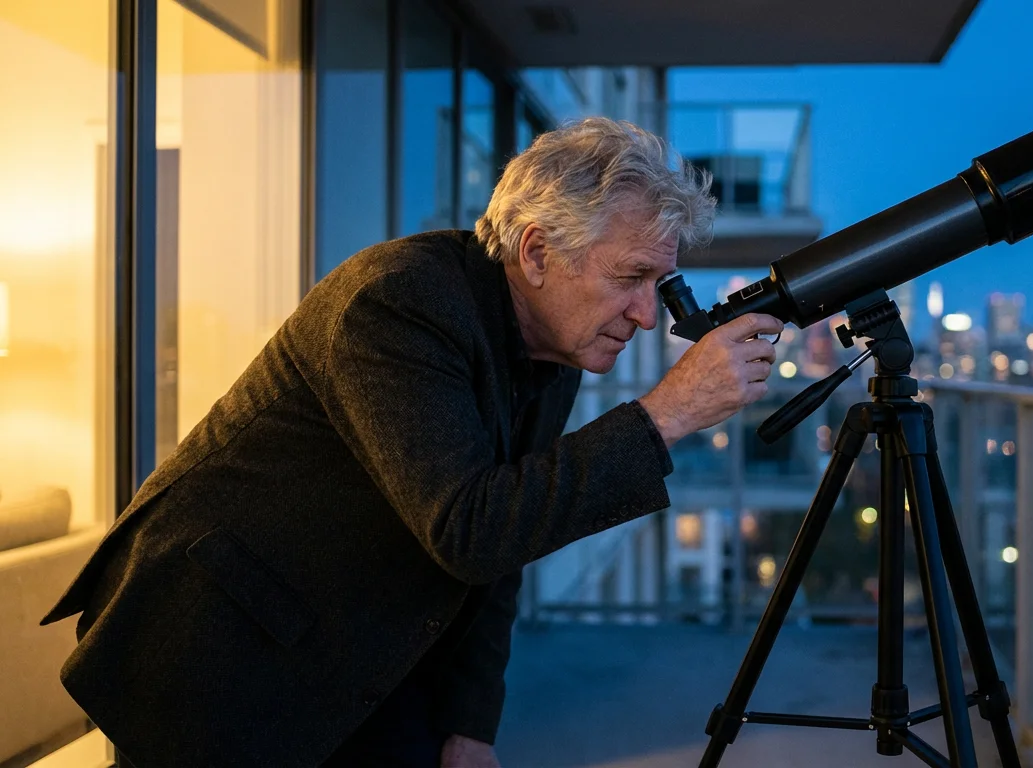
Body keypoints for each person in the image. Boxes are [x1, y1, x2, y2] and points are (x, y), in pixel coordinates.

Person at [40, 117, 783, 767]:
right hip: (218, 655)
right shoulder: (399, 300)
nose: (647, 316)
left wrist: (469, 725)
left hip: (364, 640)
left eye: (660, 284)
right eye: (632, 278)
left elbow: (507, 547)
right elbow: (472, 527)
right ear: (536, 253)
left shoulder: (554, 346)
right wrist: (666, 415)